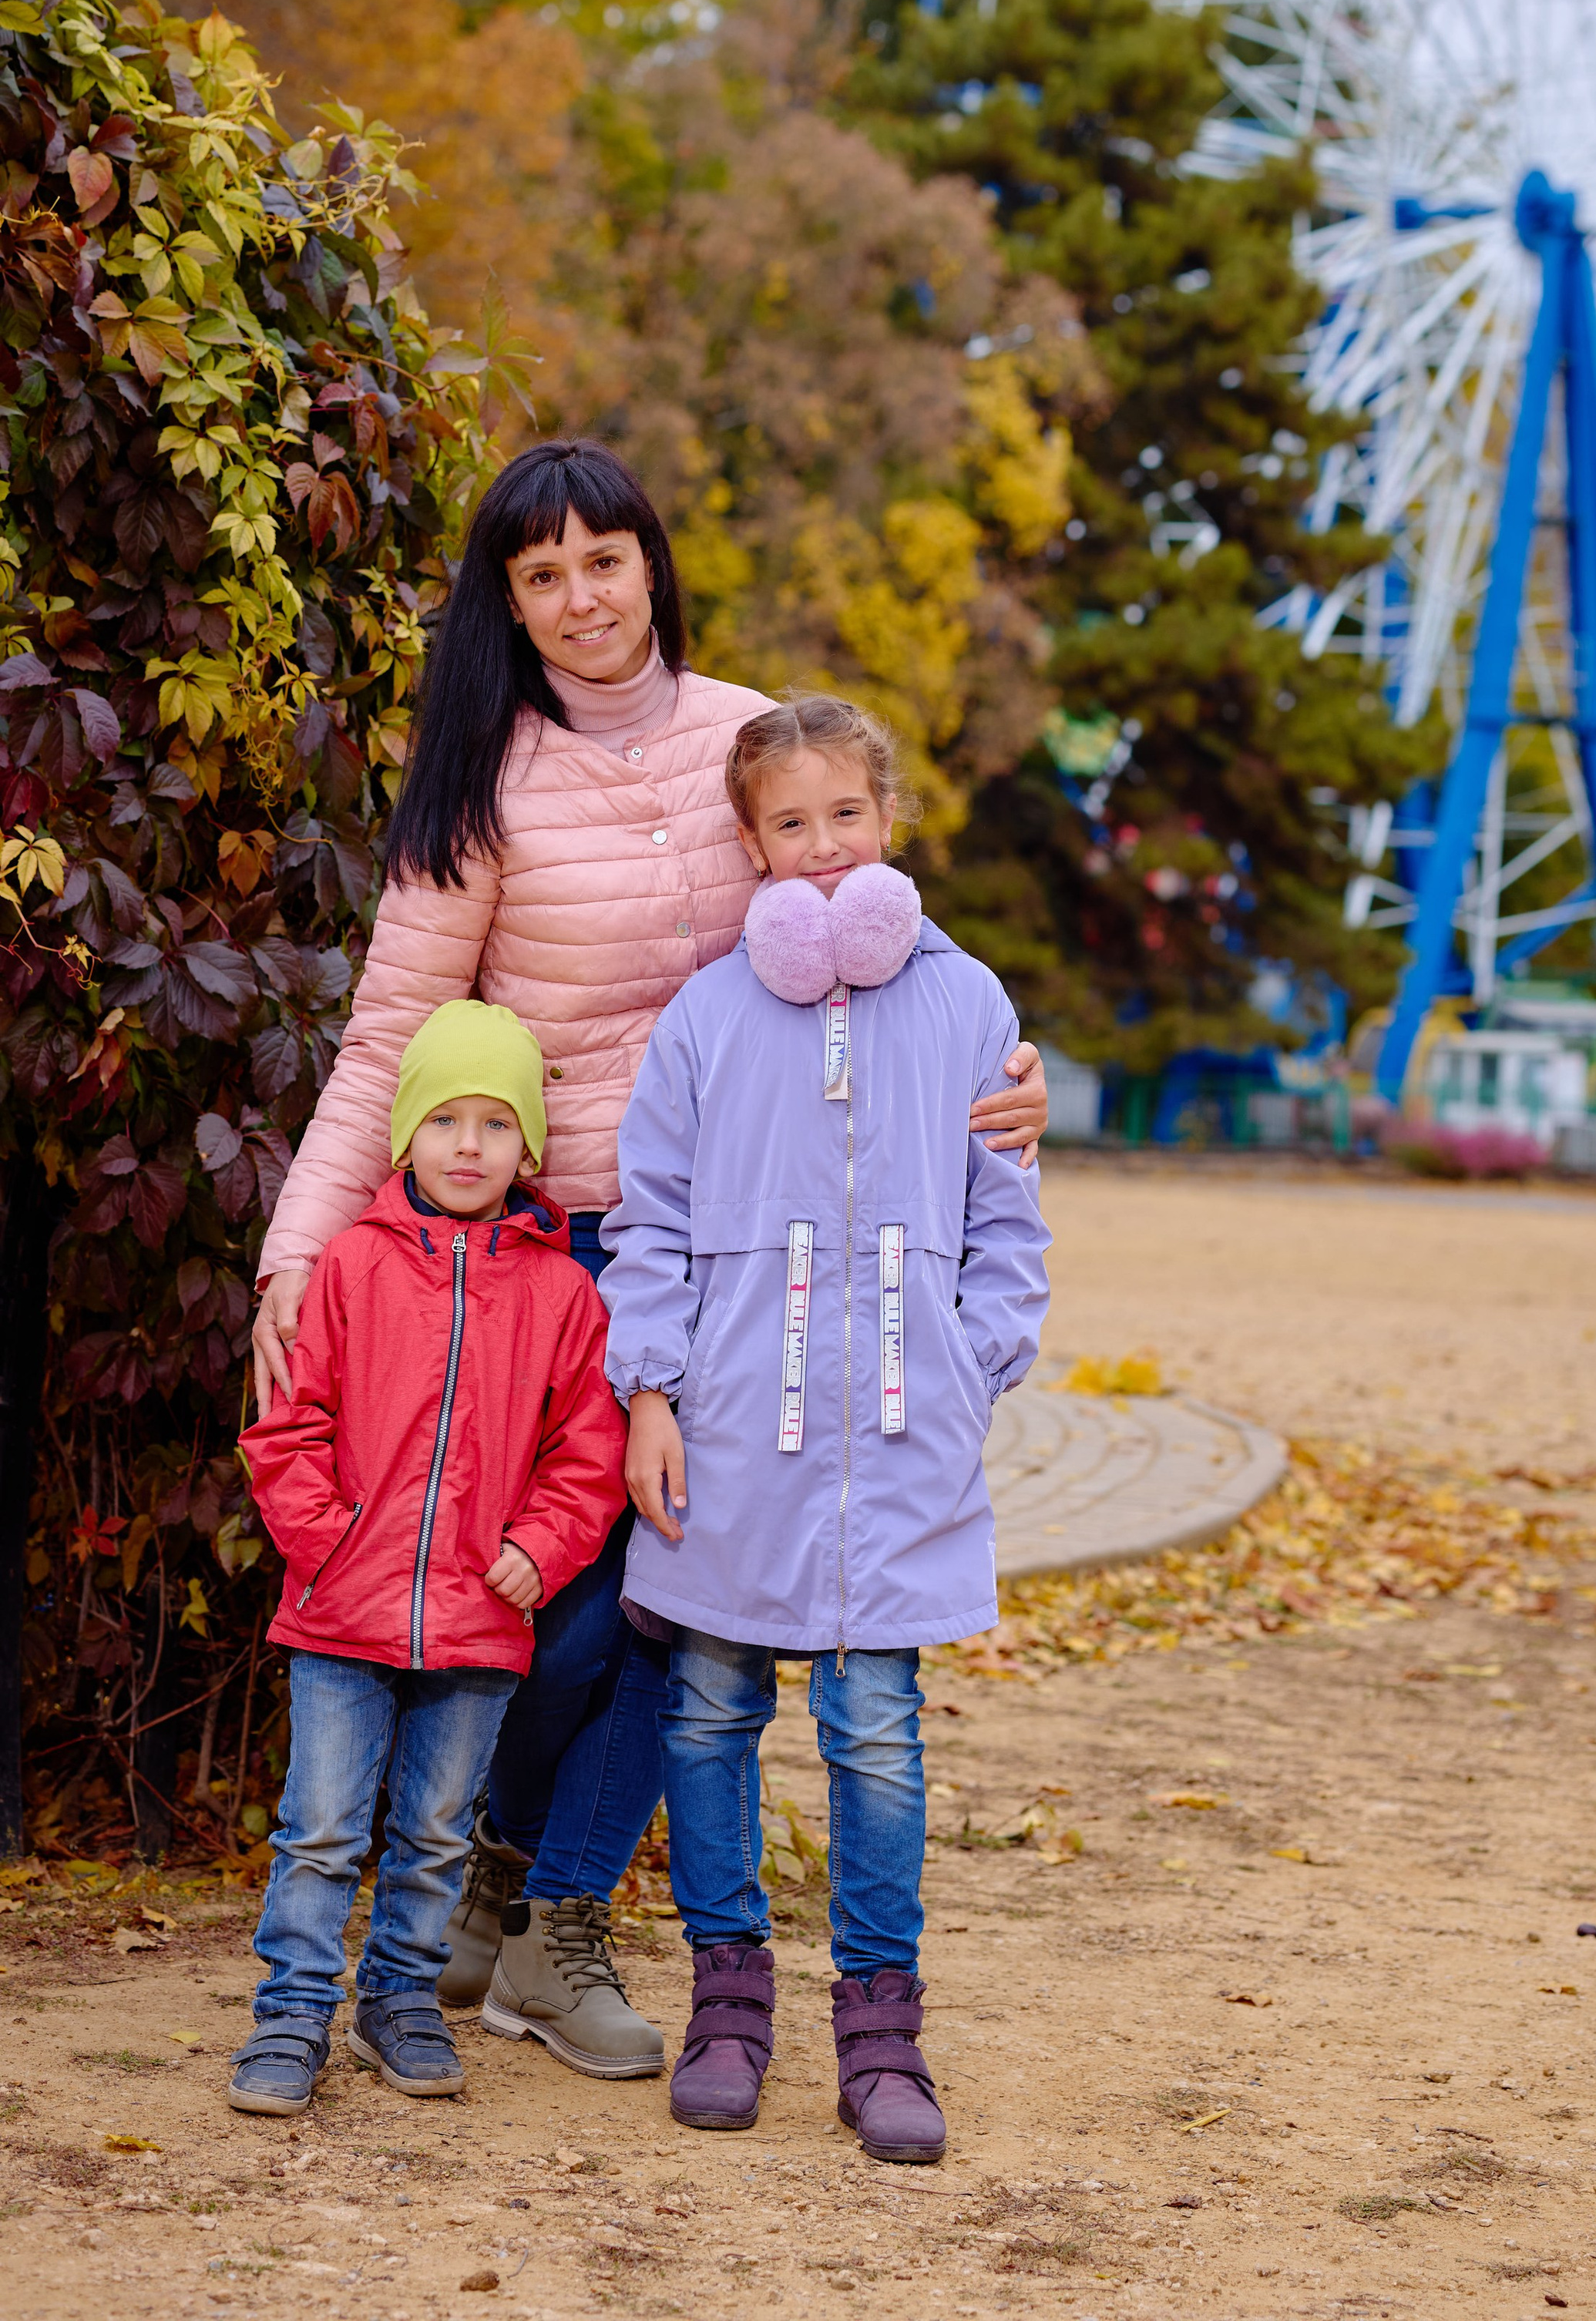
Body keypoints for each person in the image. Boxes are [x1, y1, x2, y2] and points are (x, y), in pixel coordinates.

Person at [249, 441, 1049, 2082]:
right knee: (575, 1604)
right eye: (540, 573)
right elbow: (391, 1032)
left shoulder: (740, 735)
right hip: (562, 1245)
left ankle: (546, 1924)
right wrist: (298, 1254)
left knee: (673, 1613)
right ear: (507, 601)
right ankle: (489, 1878)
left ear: (650, 566)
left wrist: (1006, 1059)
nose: (581, 598)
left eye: (603, 560)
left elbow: (868, 912)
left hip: (747, 1249)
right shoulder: (478, 784)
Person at [601, 694, 1051, 2163]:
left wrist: (973, 1364)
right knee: (709, 1711)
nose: (820, 846)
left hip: (902, 1437)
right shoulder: (708, 1015)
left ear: (888, 820)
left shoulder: (968, 1005)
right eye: (788, 824)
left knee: (877, 1734)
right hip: (730, 1429)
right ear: (751, 844)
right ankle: (728, 2004)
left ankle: (882, 2032)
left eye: (844, 815)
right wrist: (653, 1391)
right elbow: (650, 1221)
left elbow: (1008, 1221)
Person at [228, 1001, 626, 2116]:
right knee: (320, 1828)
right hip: (340, 1611)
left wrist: (539, 1550)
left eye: (496, 1124)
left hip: (479, 1618)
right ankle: (291, 2014)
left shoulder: (562, 1292)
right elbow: (287, 1424)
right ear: (406, 1134)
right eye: (444, 1119)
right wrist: (328, 1541)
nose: (467, 1145)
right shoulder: (351, 1267)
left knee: (437, 1832)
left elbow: (587, 1451)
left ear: (529, 1147)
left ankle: (400, 2001)